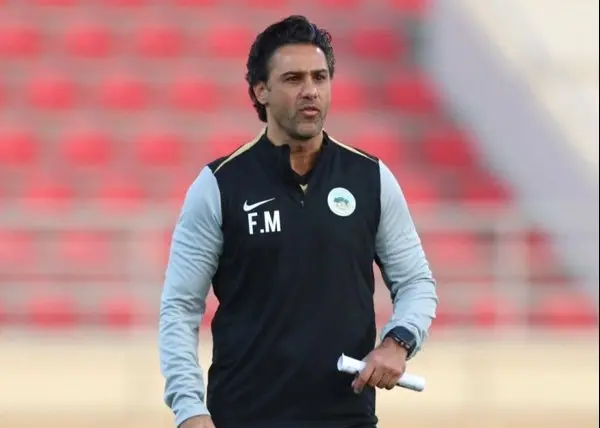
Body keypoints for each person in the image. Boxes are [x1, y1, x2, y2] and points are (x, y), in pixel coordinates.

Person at [159, 15, 438, 428]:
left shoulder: (370, 178)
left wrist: (399, 342)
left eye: (319, 77)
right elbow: (180, 307)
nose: (310, 90)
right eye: (293, 79)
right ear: (261, 91)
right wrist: (189, 409)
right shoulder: (219, 185)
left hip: (346, 418)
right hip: (244, 417)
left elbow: (416, 281)